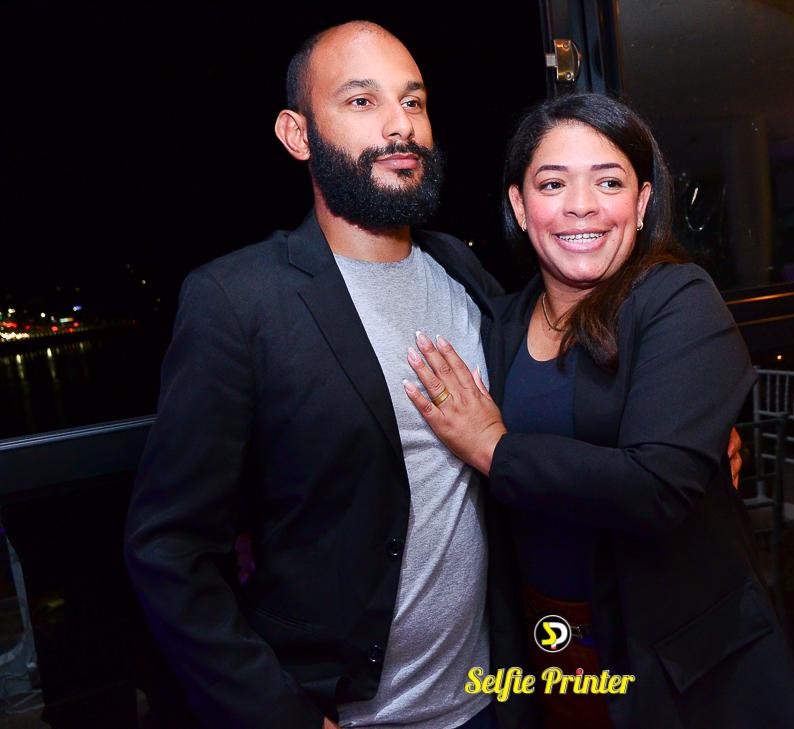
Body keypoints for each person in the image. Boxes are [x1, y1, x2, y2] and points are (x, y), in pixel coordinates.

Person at [124, 21, 529, 729]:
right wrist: (278, 714)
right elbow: (169, 550)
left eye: (413, 101)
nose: (400, 126)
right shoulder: (238, 300)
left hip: (489, 702)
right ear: (297, 134)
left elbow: (541, 394)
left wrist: (670, 433)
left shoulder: (462, 271)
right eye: (362, 101)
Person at [402, 93, 794, 729]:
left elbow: (657, 488)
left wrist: (493, 447)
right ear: (520, 205)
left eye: (609, 181)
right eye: (552, 183)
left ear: (642, 202)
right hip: (546, 654)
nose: (582, 205)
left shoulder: (677, 299)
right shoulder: (501, 323)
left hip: (679, 669)